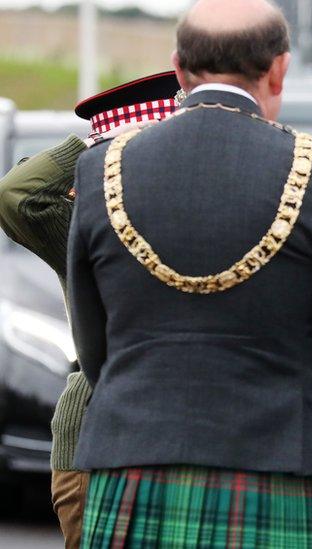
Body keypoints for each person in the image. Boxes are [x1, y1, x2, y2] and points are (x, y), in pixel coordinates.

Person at [66, 0, 312, 546]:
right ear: (279, 68)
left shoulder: (101, 169)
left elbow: (93, 338)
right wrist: (311, 435)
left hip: (132, 458)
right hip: (276, 461)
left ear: (176, 68)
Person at [0, 70, 182, 549]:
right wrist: (96, 145)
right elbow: (18, 194)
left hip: (187, 444)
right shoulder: (91, 229)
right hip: (96, 442)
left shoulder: (208, 217)